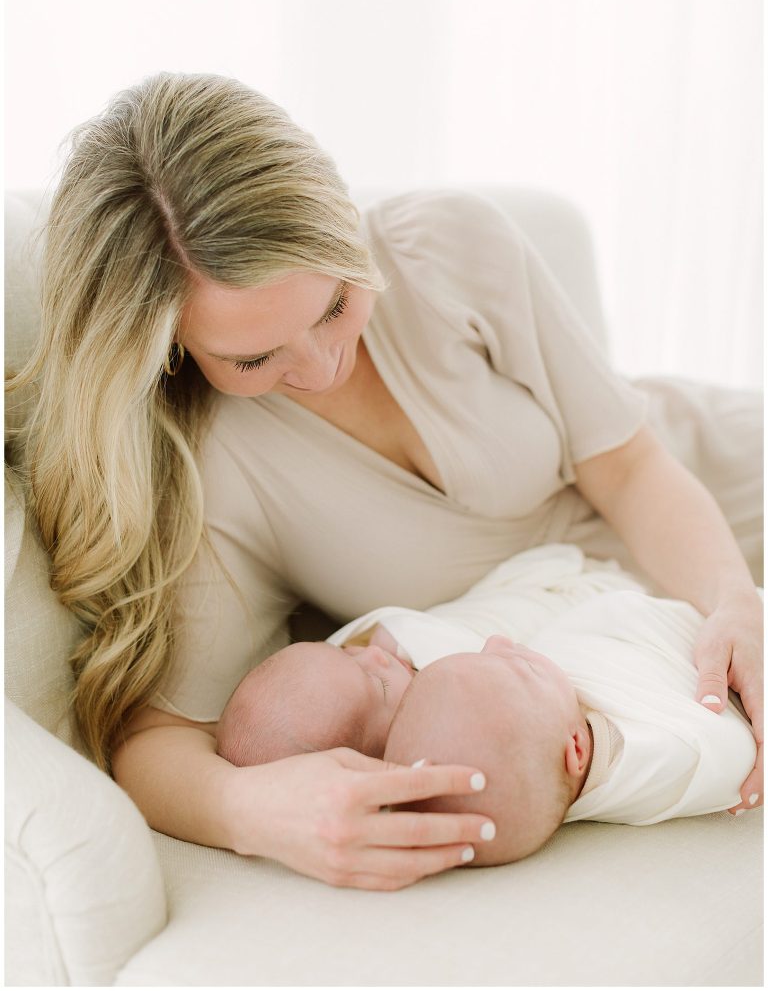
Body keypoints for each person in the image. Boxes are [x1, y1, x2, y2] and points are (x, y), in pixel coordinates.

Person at [9, 72, 762, 892]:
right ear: (171, 349)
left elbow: (632, 466)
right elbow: (159, 736)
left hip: (718, 493)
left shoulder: (449, 244)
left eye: (335, 302)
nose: (324, 364)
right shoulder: (218, 473)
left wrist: (736, 599)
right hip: (638, 644)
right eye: (255, 358)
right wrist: (251, 809)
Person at [216, 546, 756, 867]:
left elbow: (436, 630)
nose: (378, 658)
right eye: (376, 688)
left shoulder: (408, 652)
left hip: (600, 558)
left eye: (346, 651)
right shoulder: (509, 735)